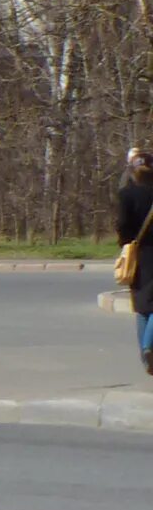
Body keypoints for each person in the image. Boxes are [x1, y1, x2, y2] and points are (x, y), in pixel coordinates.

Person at [121, 150, 153, 377]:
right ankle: (149, 346)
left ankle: (146, 355)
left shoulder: (127, 194)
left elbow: (123, 226)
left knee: (142, 307)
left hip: (139, 254)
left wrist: (126, 243)